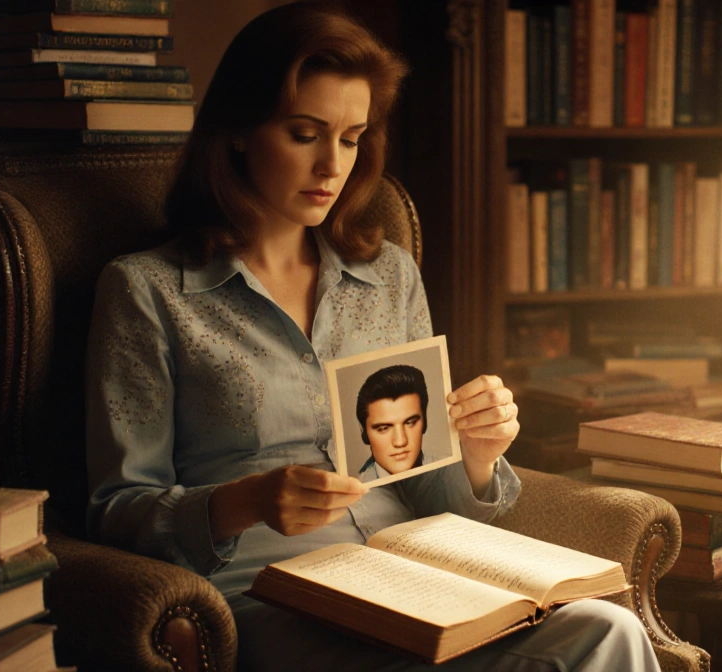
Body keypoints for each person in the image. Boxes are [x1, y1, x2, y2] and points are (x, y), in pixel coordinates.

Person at [84, 3, 660, 671]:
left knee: (607, 629)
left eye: (351, 138)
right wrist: (242, 502)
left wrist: (475, 457)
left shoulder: (388, 275)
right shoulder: (148, 291)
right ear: (239, 130)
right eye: (305, 134)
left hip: (411, 577)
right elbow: (116, 509)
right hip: (265, 598)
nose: (332, 165)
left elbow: (420, 480)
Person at [356, 364, 428, 481]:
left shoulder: (452, 471)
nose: (400, 442)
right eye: (384, 428)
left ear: (425, 421)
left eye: (410, 423)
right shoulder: (354, 486)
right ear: (364, 432)